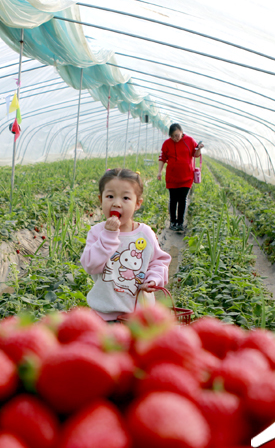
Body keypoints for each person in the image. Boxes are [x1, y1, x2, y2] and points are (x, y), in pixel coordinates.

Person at [81, 168, 172, 322]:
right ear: (100, 199)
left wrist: (153, 279)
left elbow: (158, 261)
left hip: (139, 317)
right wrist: (108, 235)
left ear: (138, 203)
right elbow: (90, 265)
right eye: (110, 196)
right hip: (103, 317)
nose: (116, 203)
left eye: (125, 198)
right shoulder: (97, 233)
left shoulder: (145, 234)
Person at [157, 123, 202, 232]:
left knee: (182, 200)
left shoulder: (190, 140)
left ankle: (180, 222)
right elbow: (163, 158)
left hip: (187, 177)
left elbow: (195, 154)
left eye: (177, 135)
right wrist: (159, 172)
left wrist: (199, 149)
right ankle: (173, 222)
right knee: (173, 199)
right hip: (172, 177)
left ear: (181, 132)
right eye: (172, 136)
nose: (175, 138)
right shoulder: (167, 143)